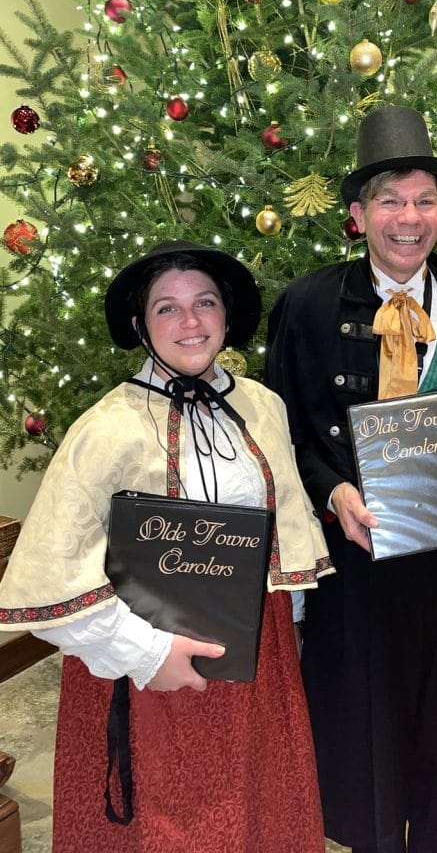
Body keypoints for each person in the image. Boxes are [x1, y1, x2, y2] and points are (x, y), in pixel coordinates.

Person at [0, 240, 333, 853]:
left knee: (260, 809)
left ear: (226, 317)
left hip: (260, 661)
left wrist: (295, 625)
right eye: (167, 309)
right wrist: (145, 653)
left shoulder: (262, 406)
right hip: (143, 668)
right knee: (167, 824)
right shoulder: (106, 429)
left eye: (204, 303)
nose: (190, 322)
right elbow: (49, 576)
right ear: (139, 325)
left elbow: (287, 522)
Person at [266, 105, 437, 853]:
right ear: (356, 214)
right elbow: (284, 434)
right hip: (361, 563)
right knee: (368, 730)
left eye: (424, 201)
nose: (408, 219)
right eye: (389, 201)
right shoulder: (308, 306)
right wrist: (332, 491)